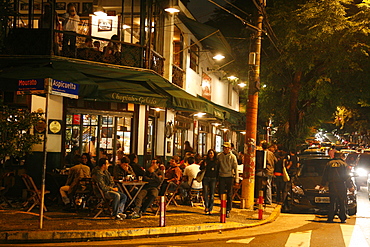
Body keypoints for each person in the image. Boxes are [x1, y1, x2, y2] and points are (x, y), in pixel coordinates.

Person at [320, 152, 354, 223]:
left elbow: (325, 175)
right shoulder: (344, 164)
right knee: (342, 201)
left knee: (332, 201)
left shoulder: (329, 164)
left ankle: (330, 217)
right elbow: (347, 176)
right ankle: (342, 217)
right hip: (341, 184)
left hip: (332, 185)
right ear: (341, 156)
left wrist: (322, 185)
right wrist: (350, 186)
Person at [218, 142, 238, 218]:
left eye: (227, 148)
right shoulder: (219, 156)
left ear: (229, 148)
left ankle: (228, 209)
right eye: (224, 147)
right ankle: (222, 206)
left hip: (230, 176)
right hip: (221, 176)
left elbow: (235, 168)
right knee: (221, 193)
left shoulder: (233, 157)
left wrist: (236, 180)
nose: (225, 149)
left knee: (229, 194)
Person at [199, 149, 219, 214]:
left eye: (212, 153)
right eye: (210, 153)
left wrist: (217, 180)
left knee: (212, 194)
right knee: (205, 193)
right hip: (206, 178)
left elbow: (218, 171)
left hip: (213, 178)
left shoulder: (216, 162)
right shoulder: (205, 161)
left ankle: (210, 208)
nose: (211, 155)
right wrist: (203, 165)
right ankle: (206, 207)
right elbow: (200, 168)